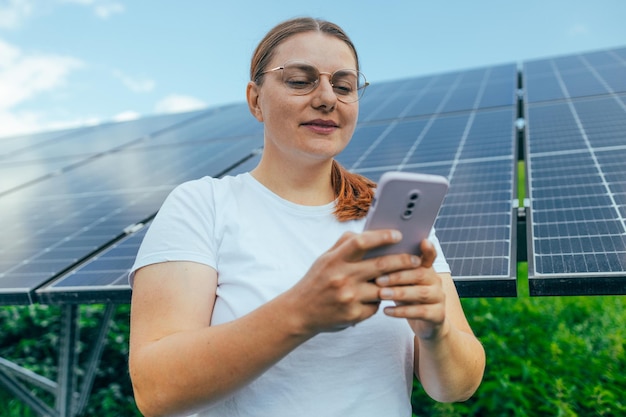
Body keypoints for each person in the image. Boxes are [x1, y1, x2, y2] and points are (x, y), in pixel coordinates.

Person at [128, 17, 485, 417]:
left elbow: (456, 387)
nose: (327, 98)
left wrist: (436, 331)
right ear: (255, 99)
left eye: (344, 86)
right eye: (300, 80)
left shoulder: (390, 216)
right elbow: (155, 391)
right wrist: (302, 311)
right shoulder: (202, 205)